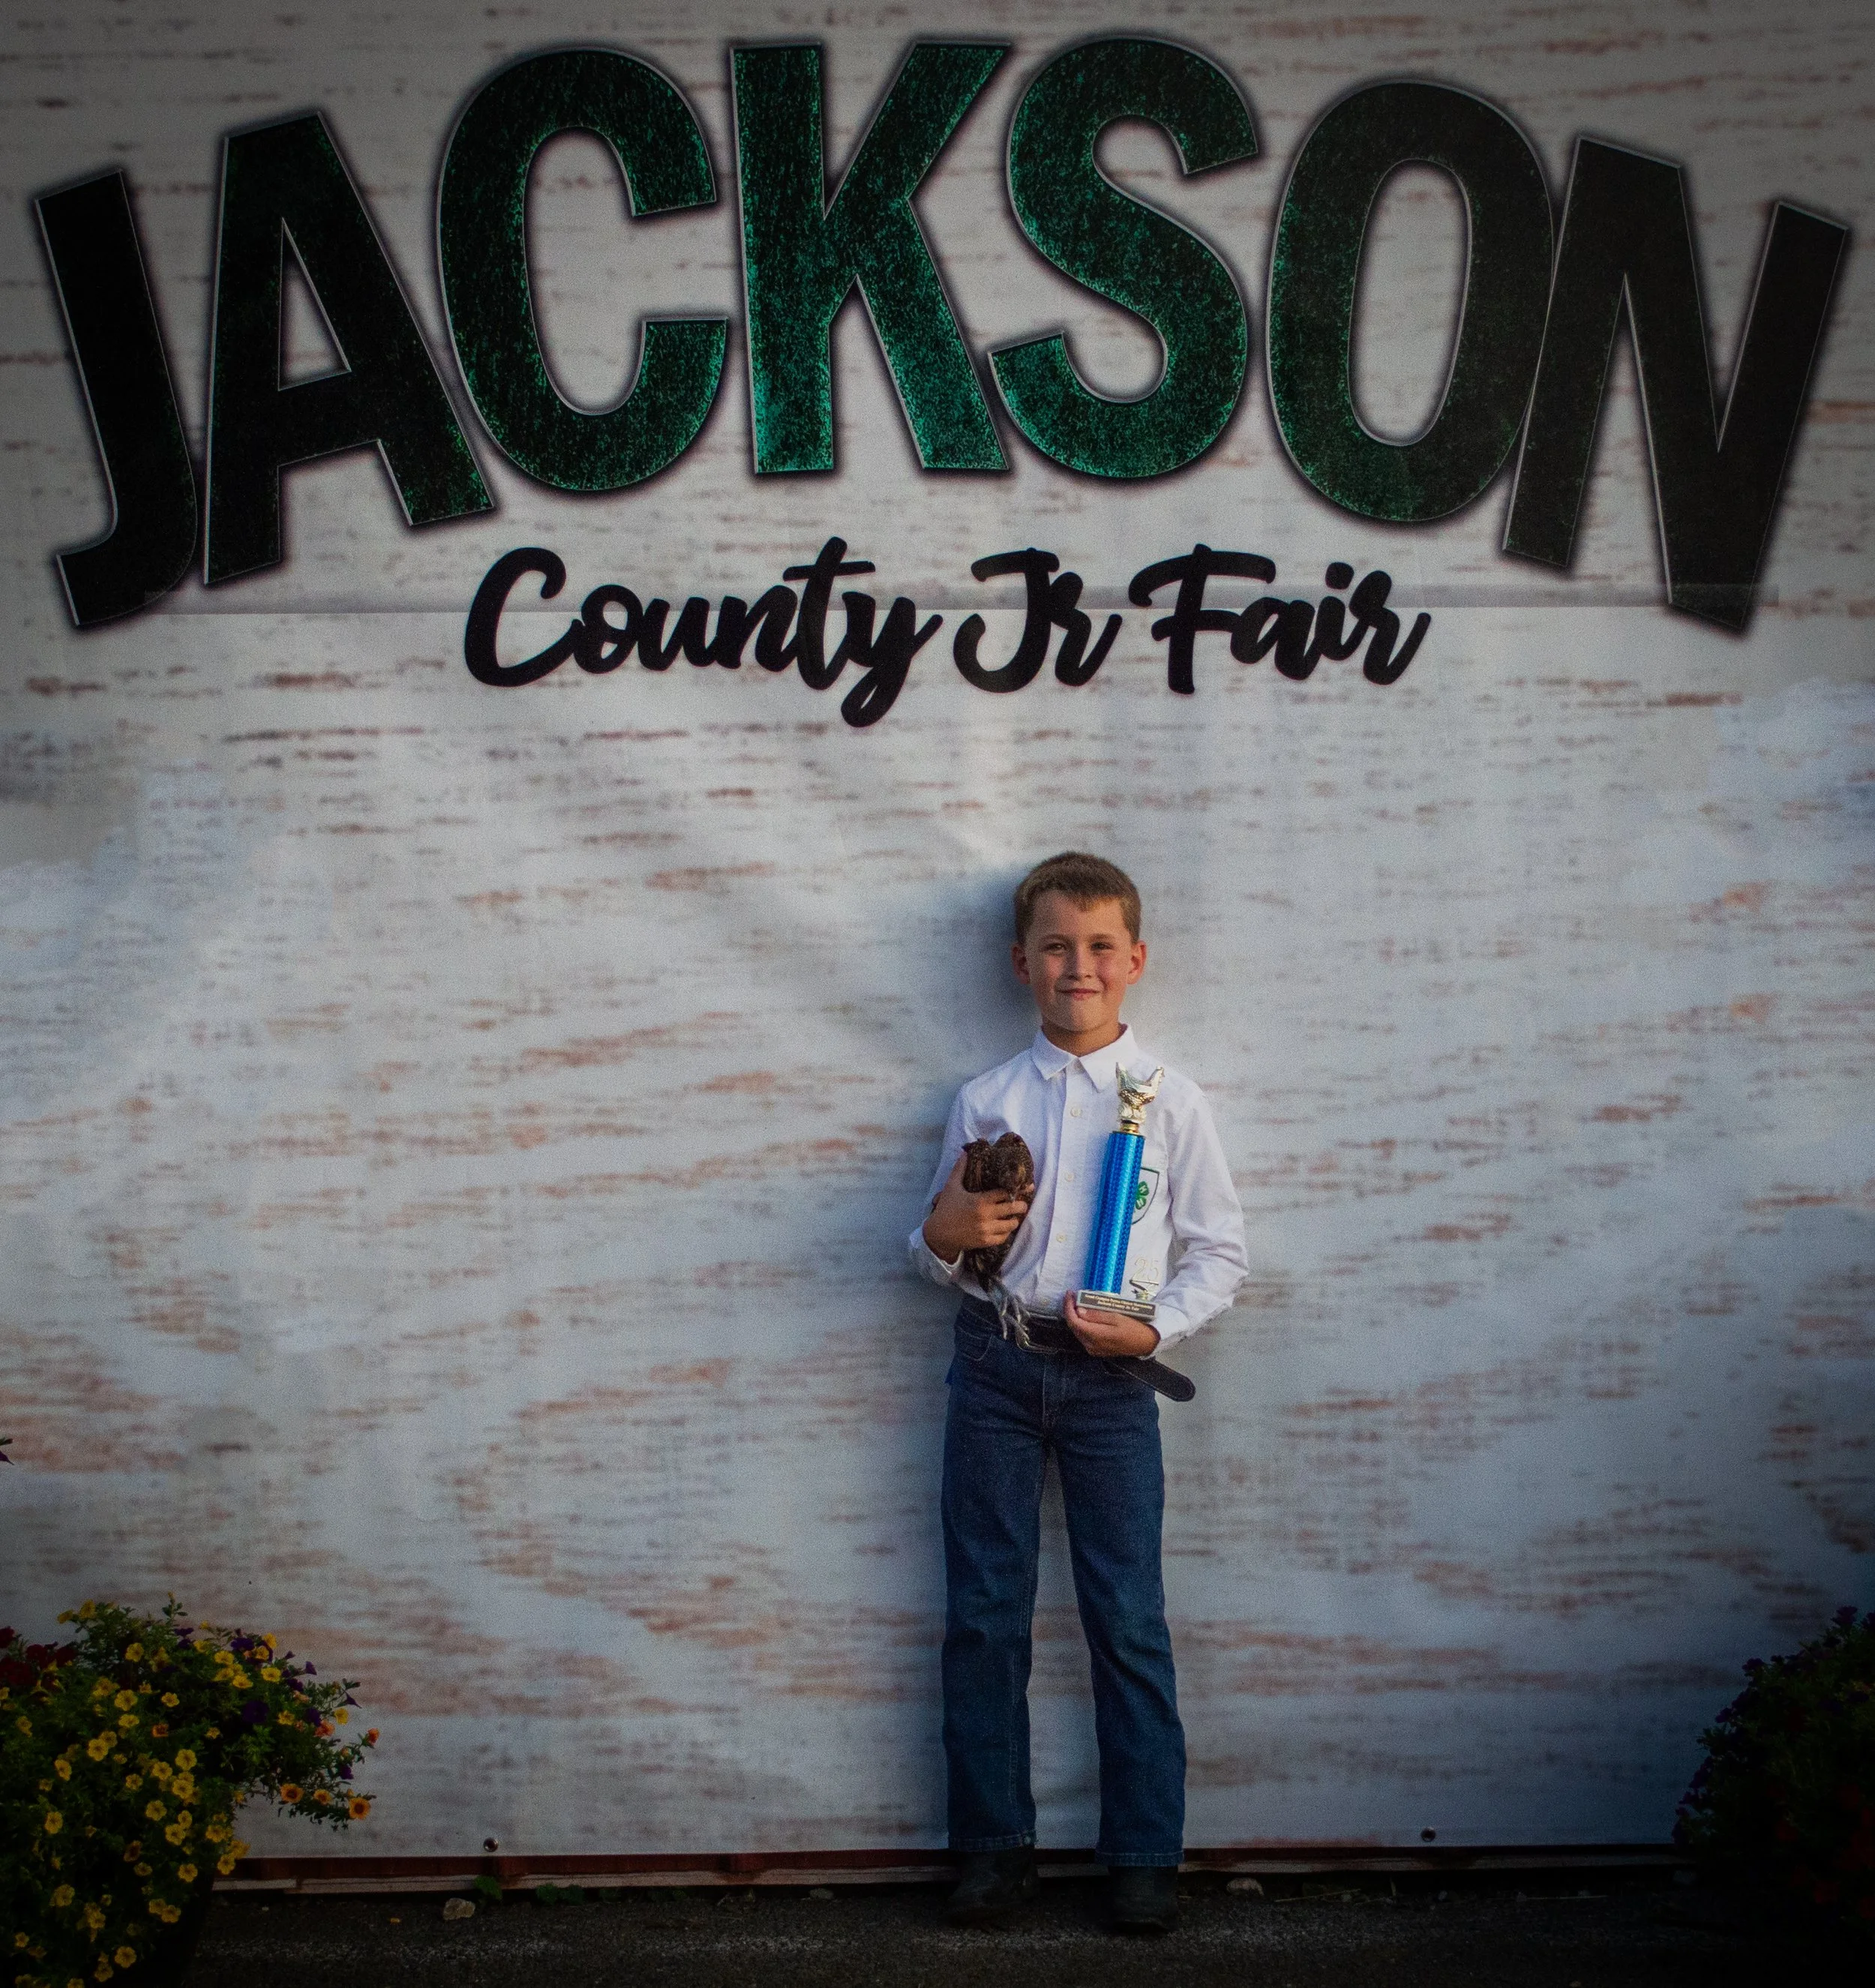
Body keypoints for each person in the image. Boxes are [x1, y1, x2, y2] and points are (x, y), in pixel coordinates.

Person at [909, 852, 1249, 1933]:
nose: (1078, 964)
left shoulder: (1173, 1103)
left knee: (1129, 1619)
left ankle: (1145, 1854)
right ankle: (991, 1851)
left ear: (1135, 961)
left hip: (1110, 1386)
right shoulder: (986, 1099)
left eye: (1100, 945)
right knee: (984, 1616)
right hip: (997, 1365)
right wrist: (940, 1236)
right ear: (1022, 962)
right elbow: (936, 1244)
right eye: (1056, 944)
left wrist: (1156, 1326)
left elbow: (1220, 1251)